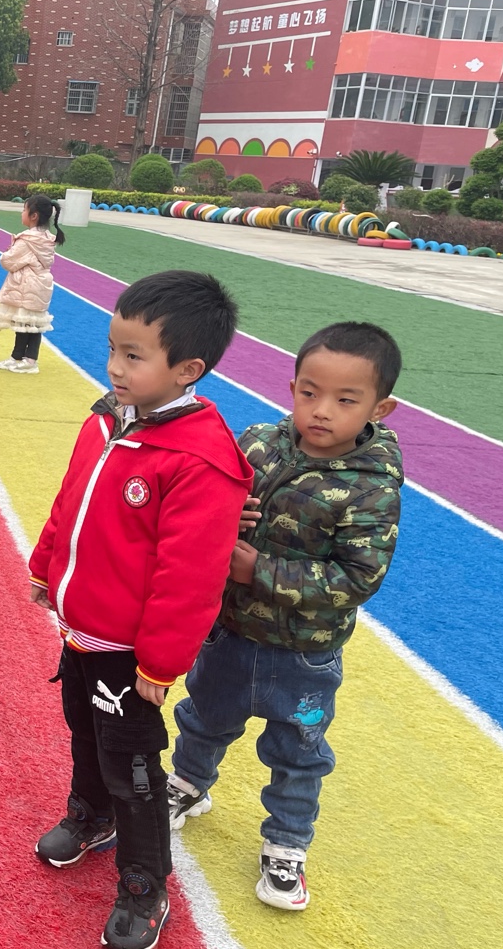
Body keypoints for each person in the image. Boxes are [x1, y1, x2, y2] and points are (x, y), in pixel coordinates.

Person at [29, 271, 253, 949]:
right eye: (113, 349)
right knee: (83, 729)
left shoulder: (198, 457)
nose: (115, 367)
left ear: (188, 370)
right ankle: (90, 815)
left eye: (134, 356)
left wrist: (159, 663)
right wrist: (45, 565)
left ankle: (144, 882)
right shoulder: (108, 420)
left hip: (130, 651)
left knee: (131, 763)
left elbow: (191, 576)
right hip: (82, 630)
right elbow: (72, 501)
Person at [167, 323, 402, 912]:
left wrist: (259, 570)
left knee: (298, 752)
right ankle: (188, 785)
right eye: (310, 393)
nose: (322, 410)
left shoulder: (372, 490)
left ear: (380, 409)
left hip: (304, 655)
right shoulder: (257, 444)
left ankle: (287, 843)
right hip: (229, 632)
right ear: (293, 387)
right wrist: (227, 515)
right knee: (204, 717)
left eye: (345, 400)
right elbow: (209, 501)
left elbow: (358, 580)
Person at [0, 194, 64, 375]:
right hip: (40, 284)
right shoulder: (47, 238)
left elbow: (8, 261)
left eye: (24, 210)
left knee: (25, 325)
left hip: (27, 286)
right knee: (31, 324)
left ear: (34, 216)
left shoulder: (28, 240)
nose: (21, 213)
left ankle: (28, 360)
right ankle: (20, 357)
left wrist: (9, 251)